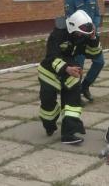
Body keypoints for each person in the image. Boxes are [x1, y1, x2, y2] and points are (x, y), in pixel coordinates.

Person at [38, 10, 102, 144]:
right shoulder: (57, 34)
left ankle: (69, 133)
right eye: (80, 33)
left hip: (71, 68)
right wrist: (66, 68)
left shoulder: (83, 35)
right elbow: (51, 57)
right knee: (48, 103)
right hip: (49, 71)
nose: (81, 36)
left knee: (73, 99)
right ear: (72, 27)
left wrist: (93, 38)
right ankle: (49, 125)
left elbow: (94, 53)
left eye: (85, 34)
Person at [65, 0, 104, 102]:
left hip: (92, 36)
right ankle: (76, 95)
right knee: (79, 66)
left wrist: (95, 25)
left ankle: (85, 87)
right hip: (79, 38)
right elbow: (69, 19)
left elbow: (98, 15)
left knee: (99, 62)